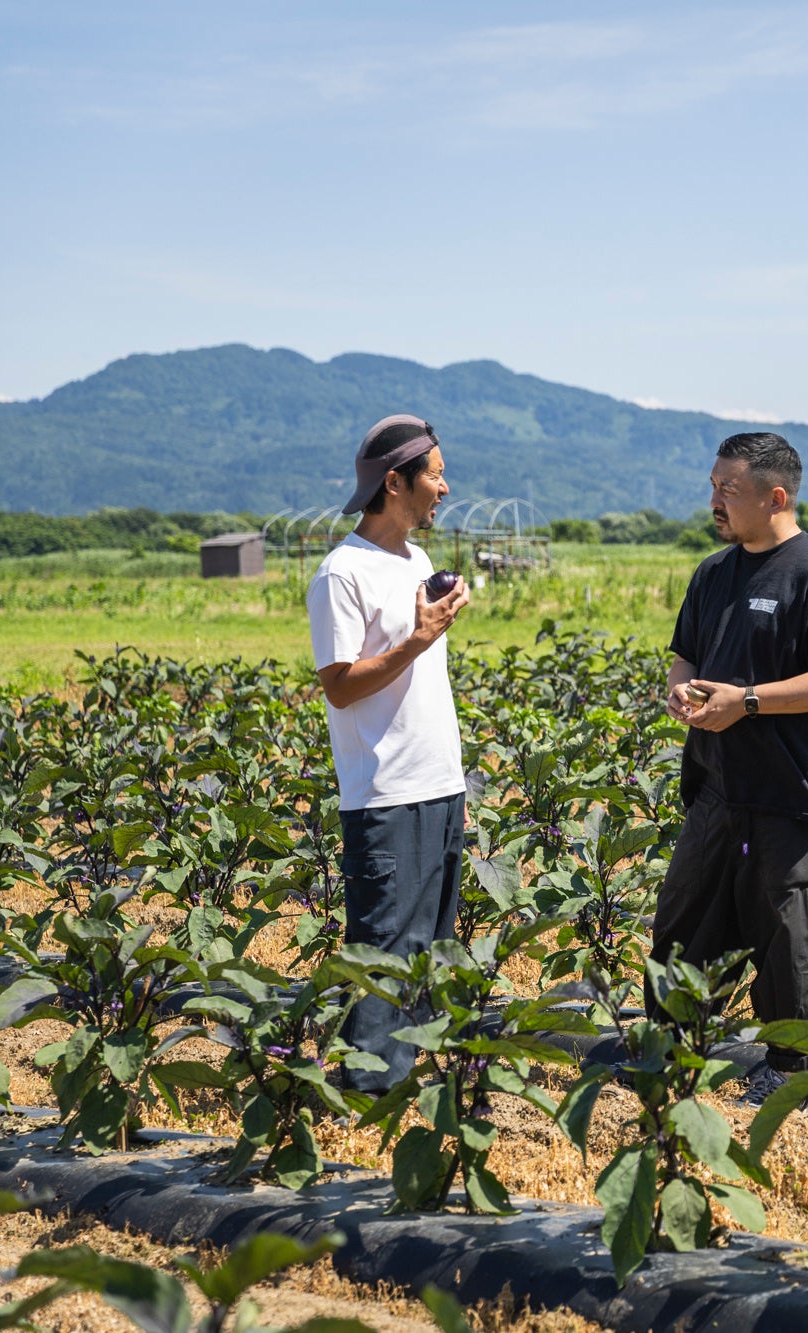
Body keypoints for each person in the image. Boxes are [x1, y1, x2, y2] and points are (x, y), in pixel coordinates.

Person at [652, 432, 808, 1100]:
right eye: (714, 485)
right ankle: (671, 1052)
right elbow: (686, 653)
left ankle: (790, 1074)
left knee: (790, 944)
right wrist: (683, 687)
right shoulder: (713, 573)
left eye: (729, 489)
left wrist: (746, 702)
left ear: (774, 497)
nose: (715, 500)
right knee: (682, 926)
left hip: (791, 798)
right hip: (719, 790)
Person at [305, 414, 472, 1093]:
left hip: (439, 782)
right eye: (434, 474)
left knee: (430, 947)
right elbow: (341, 686)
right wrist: (418, 638)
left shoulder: (416, 561)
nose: (445, 485)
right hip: (386, 792)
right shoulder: (340, 574)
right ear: (395, 483)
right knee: (382, 953)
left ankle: (408, 1082)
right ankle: (368, 1090)